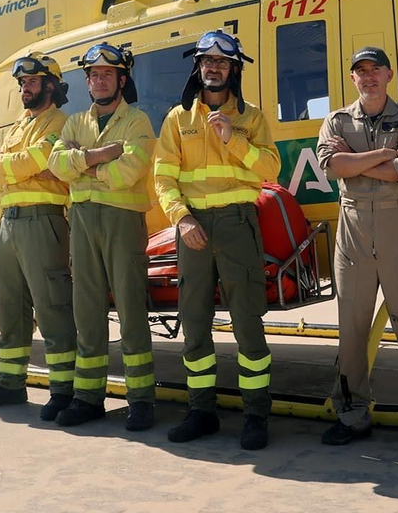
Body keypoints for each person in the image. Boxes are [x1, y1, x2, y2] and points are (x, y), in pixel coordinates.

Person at [153, 30, 281, 451]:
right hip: (193, 228)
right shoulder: (177, 119)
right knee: (193, 321)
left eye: (222, 62)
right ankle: (201, 411)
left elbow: (271, 170)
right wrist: (181, 219)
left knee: (247, 320)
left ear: (233, 70)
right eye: (207, 61)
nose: (213, 68)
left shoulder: (252, 117)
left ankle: (257, 415)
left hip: (237, 224)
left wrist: (233, 138)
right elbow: (163, 178)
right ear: (198, 67)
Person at [315, 47, 398, 453]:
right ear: (352, 78)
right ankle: (351, 415)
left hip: (397, 232)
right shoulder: (336, 120)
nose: (368, 76)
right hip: (352, 234)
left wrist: (355, 160)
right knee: (351, 332)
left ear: (389, 74)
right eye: (361, 71)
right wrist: (382, 155)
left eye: (376, 69)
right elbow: (332, 167)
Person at [47, 43, 158, 432]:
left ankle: (141, 399)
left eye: (107, 74)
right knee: (87, 310)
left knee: (130, 309)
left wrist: (82, 162)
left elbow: (129, 171)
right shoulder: (74, 122)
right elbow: (57, 165)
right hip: (81, 221)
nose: (99, 81)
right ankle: (88, 397)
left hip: (122, 221)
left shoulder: (137, 122)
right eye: (93, 75)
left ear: (122, 80)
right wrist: (100, 156)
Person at [0, 53, 77, 420]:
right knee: (9, 307)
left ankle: (63, 389)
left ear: (50, 85)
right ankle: (10, 382)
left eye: (31, 82)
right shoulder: (20, 124)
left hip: (43, 220)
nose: (24, 89)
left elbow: (34, 161)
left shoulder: (61, 123)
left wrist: (16, 166)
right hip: (9, 222)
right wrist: (21, 167)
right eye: (21, 83)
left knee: (52, 307)